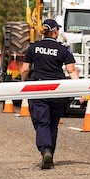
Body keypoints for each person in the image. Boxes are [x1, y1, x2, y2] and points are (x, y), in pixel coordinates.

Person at [20, 18, 79, 170]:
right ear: (54, 32)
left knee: (42, 122)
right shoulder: (62, 49)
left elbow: (25, 69)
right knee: (53, 123)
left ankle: (45, 149)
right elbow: (71, 70)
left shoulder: (34, 48)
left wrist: (23, 82)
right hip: (58, 90)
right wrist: (81, 91)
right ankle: (50, 152)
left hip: (38, 88)